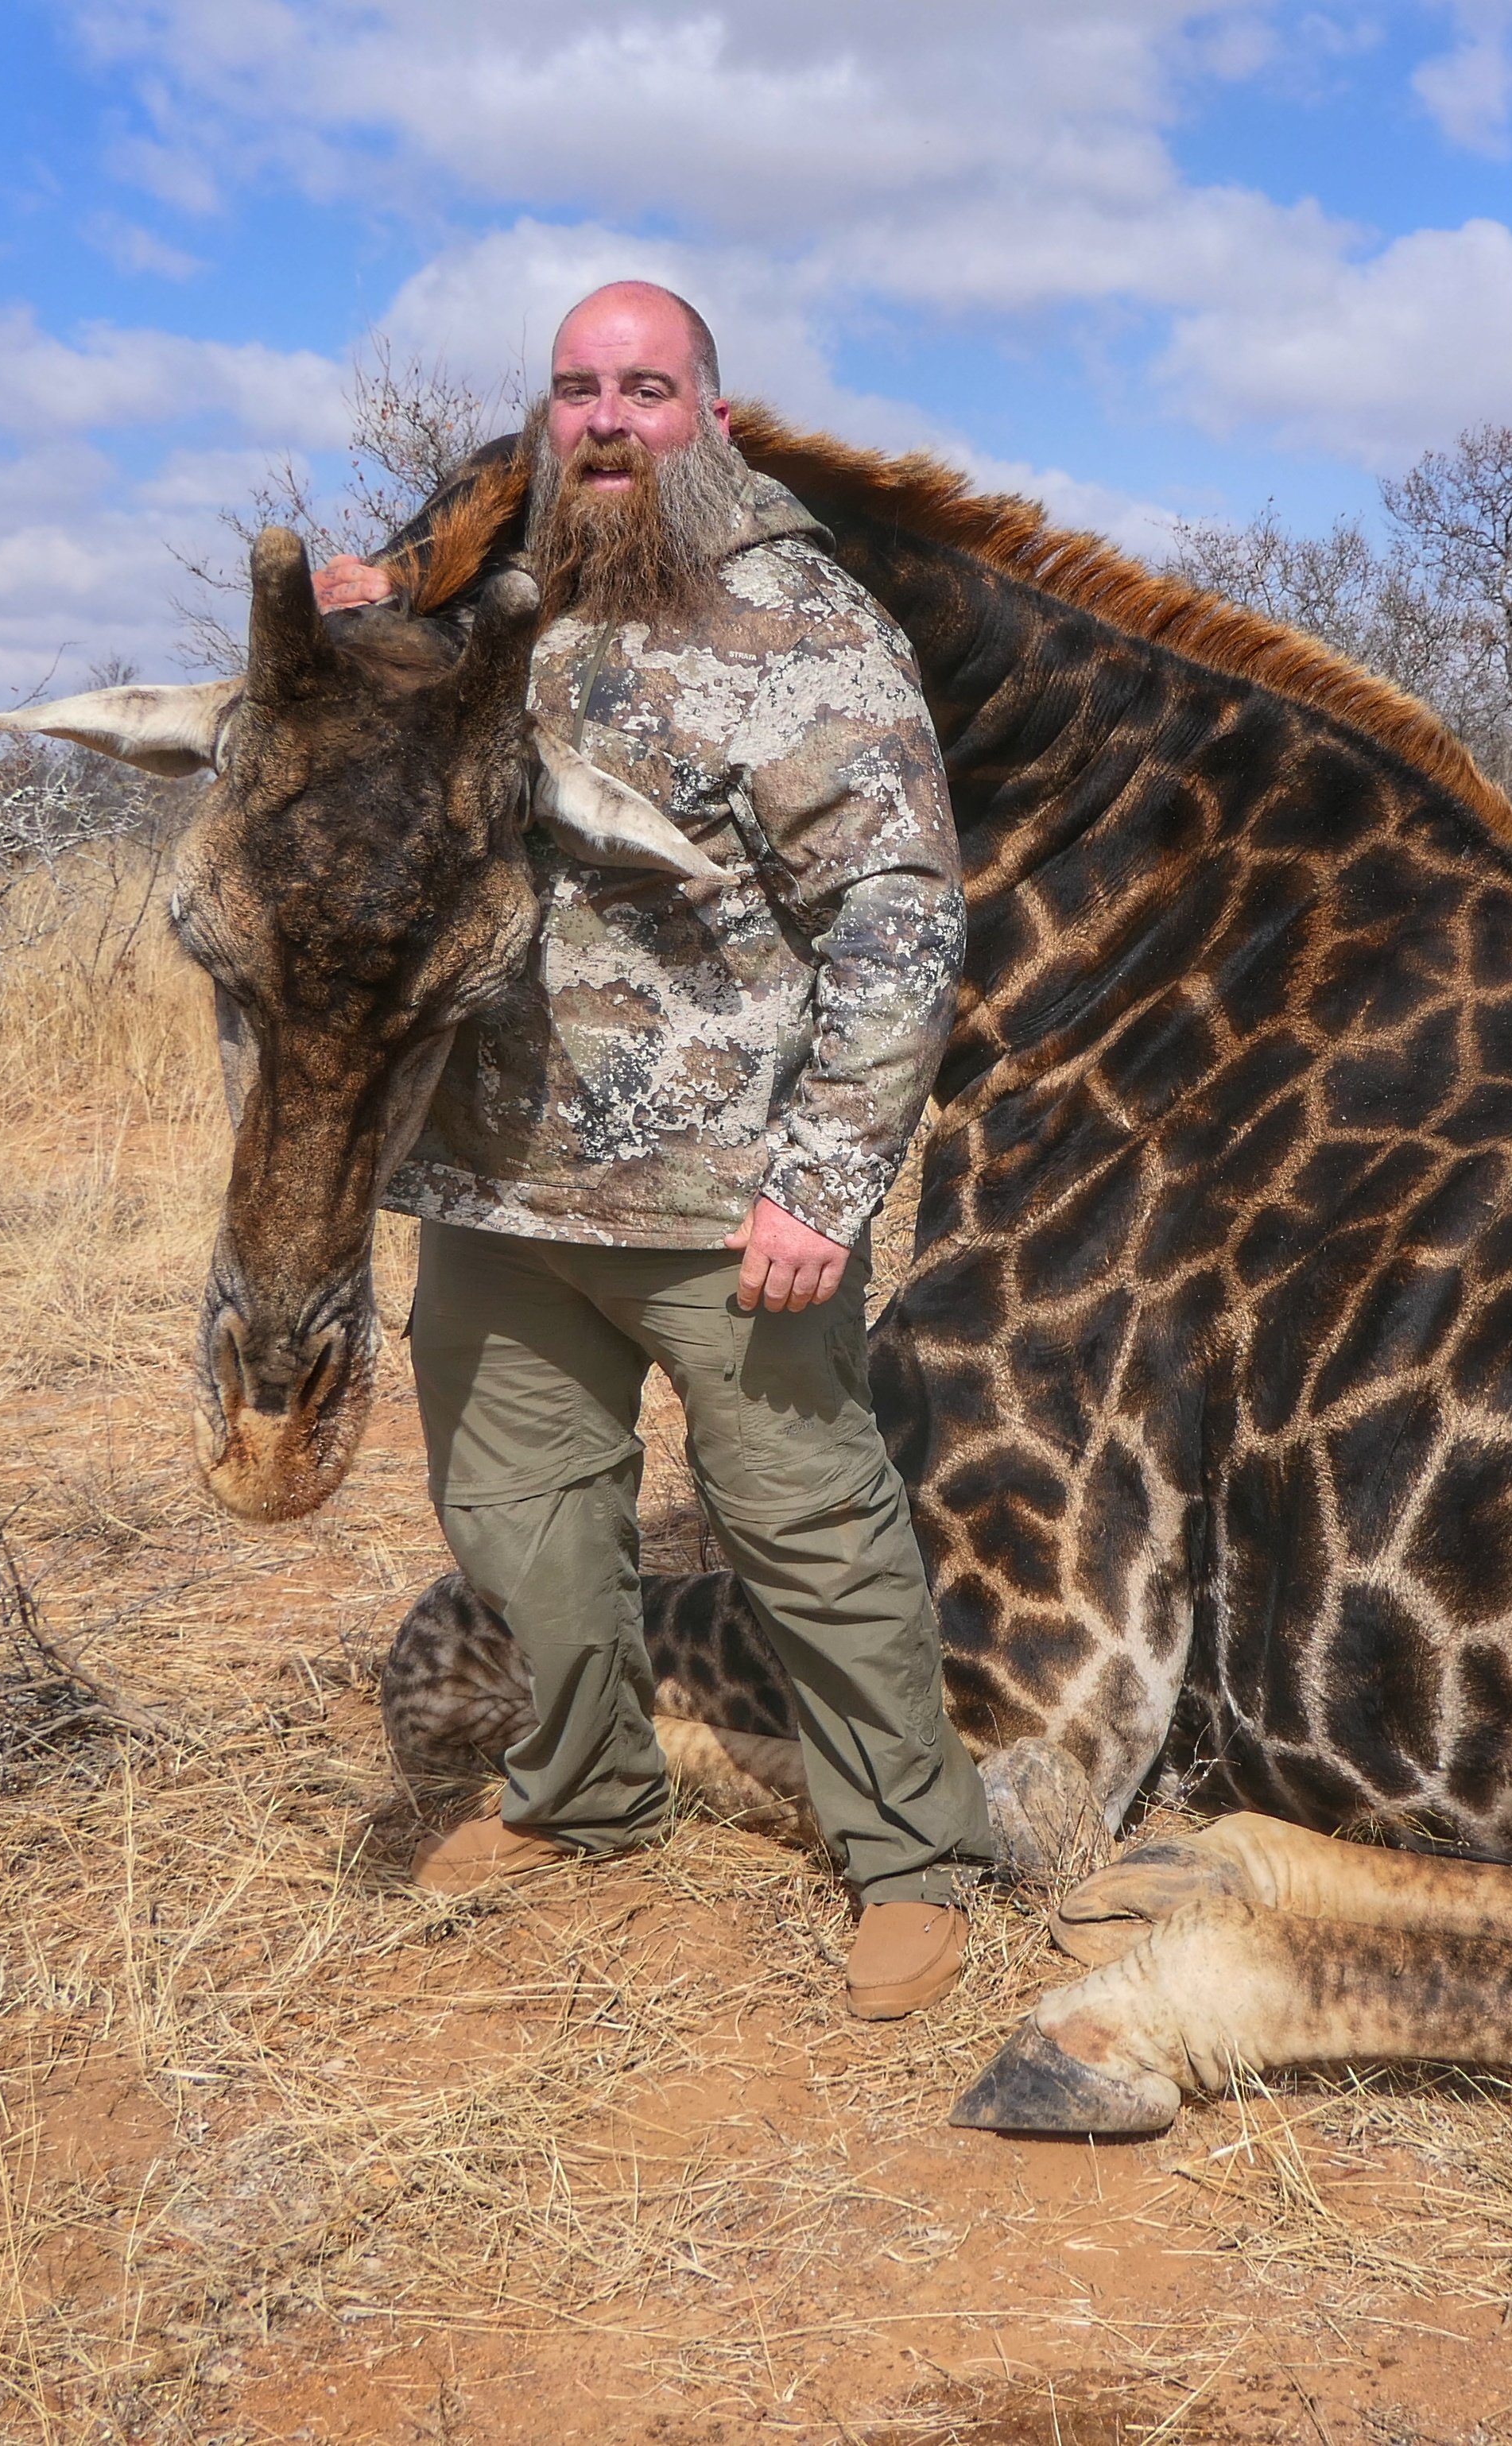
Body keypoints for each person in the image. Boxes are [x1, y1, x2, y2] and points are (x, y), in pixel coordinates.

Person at [317, 281, 994, 2021]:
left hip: (726, 1204)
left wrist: (825, 1181)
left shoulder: (801, 626)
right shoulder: (503, 601)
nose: (609, 421)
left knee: (811, 1530)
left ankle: (914, 1860)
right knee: (523, 1521)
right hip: (497, 1183)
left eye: (647, 388)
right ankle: (585, 1795)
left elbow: (901, 920)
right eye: (576, 391)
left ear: (710, 407)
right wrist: (358, 626)